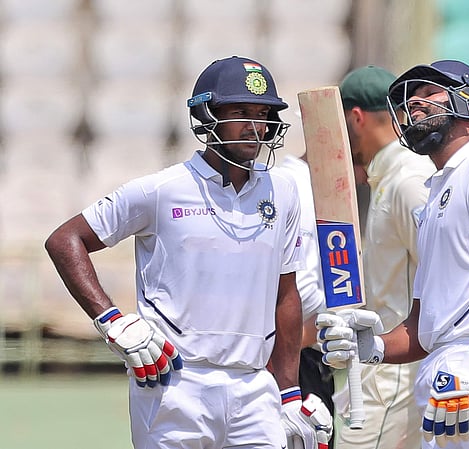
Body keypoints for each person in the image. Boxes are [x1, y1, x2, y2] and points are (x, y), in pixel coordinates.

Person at [44, 55, 323, 449]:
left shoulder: (284, 191)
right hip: (174, 382)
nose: (255, 126)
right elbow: (65, 240)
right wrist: (111, 320)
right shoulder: (162, 190)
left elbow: (286, 294)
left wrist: (289, 392)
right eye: (240, 112)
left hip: (254, 386)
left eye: (263, 114)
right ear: (207, 116)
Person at [316, 59, 469, 449]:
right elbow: (422, 328)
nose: (415, 103)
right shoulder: (436, 191)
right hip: (445, 363)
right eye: (411, 98)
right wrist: (372, 346)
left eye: (429, 93)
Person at [328, 65, 435, 449]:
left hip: (399, 377)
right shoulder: (389, 177)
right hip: (387, 368)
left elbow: (447, 274)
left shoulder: (408, 182)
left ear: (356, 118)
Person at [277, 152, 335, 449]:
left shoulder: (309, 185)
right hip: (292, 363)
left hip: (304, 360)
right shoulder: (296, 186)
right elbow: (301, 293)